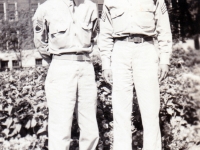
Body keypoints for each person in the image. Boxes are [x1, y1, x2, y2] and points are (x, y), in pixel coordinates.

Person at [98, 0, 172, 150]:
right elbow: (105, 33)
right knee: (121, 109)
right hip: (120, 50)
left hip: (146, 49)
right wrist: (106, 63)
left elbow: (164, 29)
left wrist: (164, 59)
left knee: (150, 108)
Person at [33, 0, 99, 149]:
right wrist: (58, 60)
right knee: (60, 125)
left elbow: (94, 36)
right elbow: (40, 42)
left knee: (90, 126)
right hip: (61, 66)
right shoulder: (46, 8)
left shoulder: (90, 7)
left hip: (86, 67)